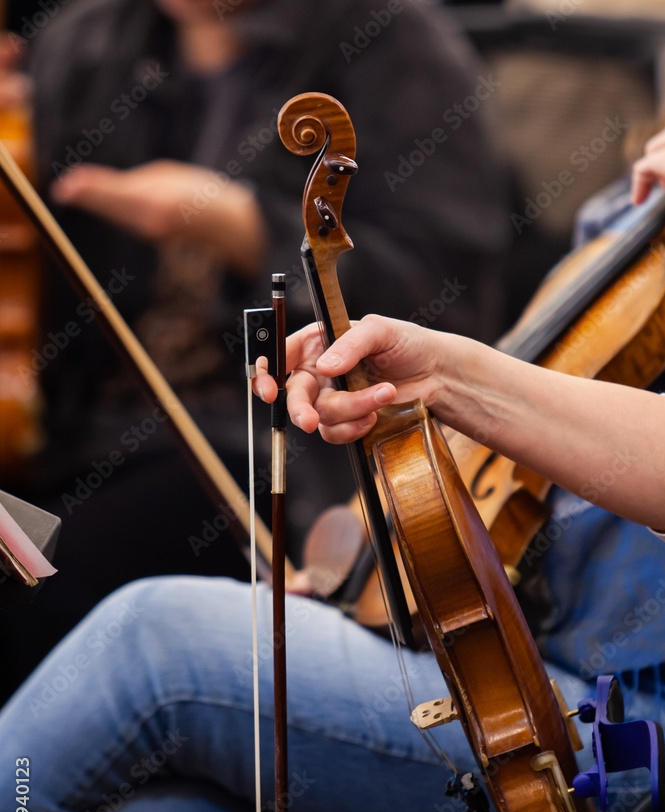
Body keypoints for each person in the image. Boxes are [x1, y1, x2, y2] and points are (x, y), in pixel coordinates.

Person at [1, 130, 665, 812]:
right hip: (503, 662)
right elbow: (518, 478)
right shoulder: (629, 224)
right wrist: (365, 583)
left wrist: (452, 376)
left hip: (621, 739)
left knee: (152, 637)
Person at [0, 0, 510, 700]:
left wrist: (240, 226)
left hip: (274, 449)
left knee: (41, 586)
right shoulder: (83, 40)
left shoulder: (392, 40)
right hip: (72, 431)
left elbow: (445, 302)